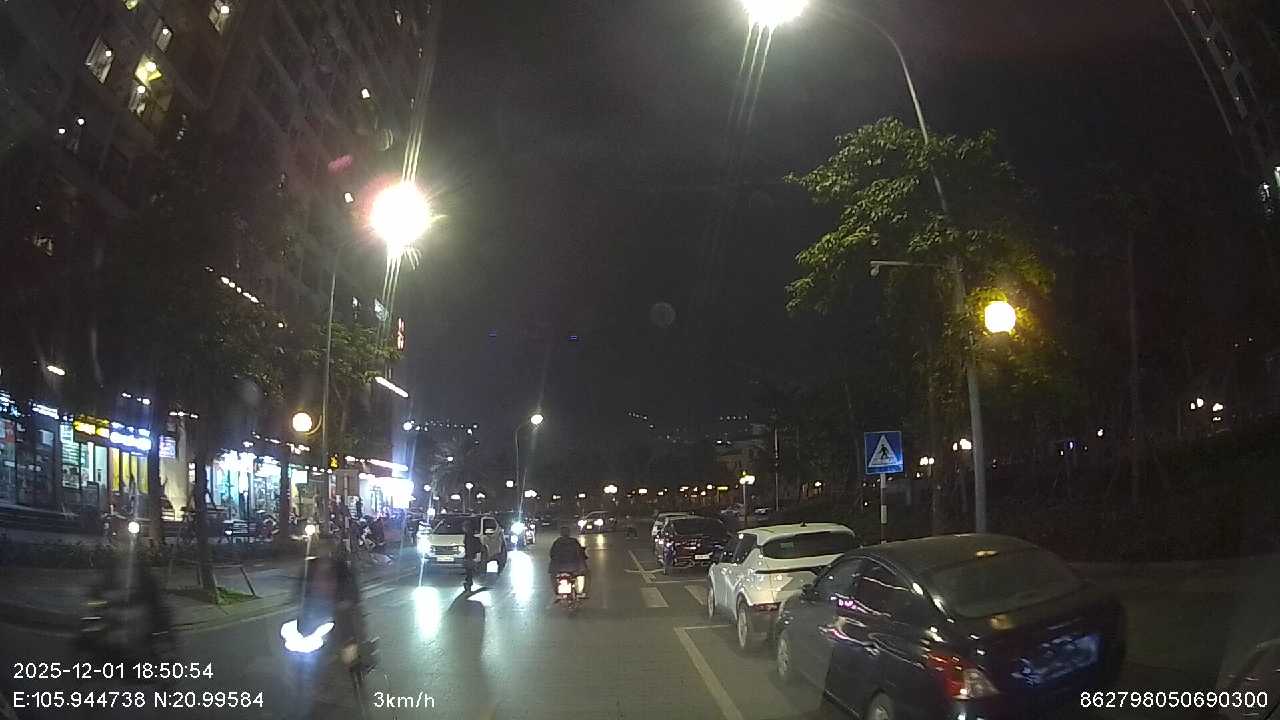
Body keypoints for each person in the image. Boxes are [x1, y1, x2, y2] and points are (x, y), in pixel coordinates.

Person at [548, 526, 588, 598]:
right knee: (586, 574)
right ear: (569, 533)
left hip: (558, 568)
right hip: (573, 568)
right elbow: (580, 553)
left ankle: (557, 593)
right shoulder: (574, 542)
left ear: (561, 533)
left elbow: (551, 554)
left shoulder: (557, 542)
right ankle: (582, 592)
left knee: (553, 576)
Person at [461, 520, 485, 592]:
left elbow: (470, 547)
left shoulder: (469, 537)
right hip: (470, 555)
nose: (463, 528)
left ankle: (469, 583)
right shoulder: (469, 536)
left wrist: (469, 554)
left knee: (469, 570)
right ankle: (469, 582)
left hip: (470, 555)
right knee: (469, 570)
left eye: (464, 527)